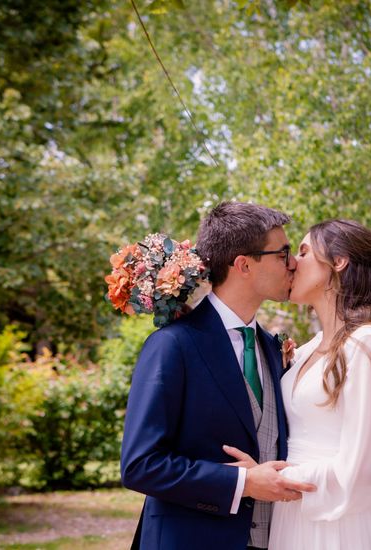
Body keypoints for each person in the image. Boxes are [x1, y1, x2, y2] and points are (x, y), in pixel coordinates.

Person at [120, 202, 316, 550]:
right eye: (283, 253)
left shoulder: (272, 348)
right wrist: (241, 483)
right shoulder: (172, 345)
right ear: (243, 264)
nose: (294, 264)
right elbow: (140, 464)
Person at [224, 219, 371, 549]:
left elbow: (361, 476)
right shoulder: (307, 349)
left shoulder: (368, 344)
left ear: (338, 262)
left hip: (339, 526)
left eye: (303, 251)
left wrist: (274, 479)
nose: (292, 262)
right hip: (289, 518)